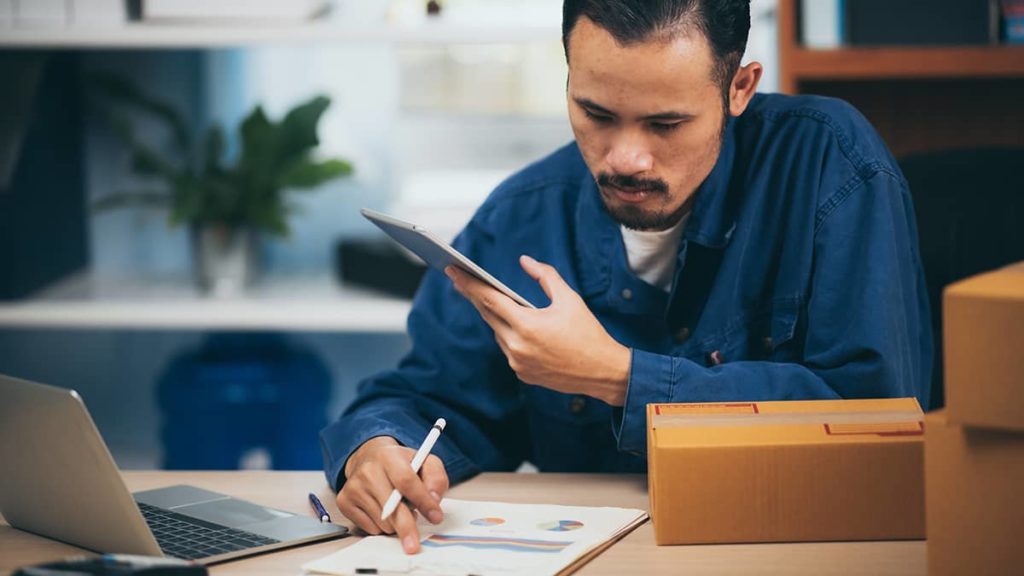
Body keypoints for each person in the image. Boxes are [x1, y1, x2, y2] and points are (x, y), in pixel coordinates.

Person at [320, 0, 932, 554]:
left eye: (666, 124)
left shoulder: (833, 166)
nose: (626, 159)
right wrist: (377, 450)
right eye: (595, 112)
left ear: (739, 88)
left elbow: (880, 423)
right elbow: (427, 397)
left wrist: (616, 376)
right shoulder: (522, 215)